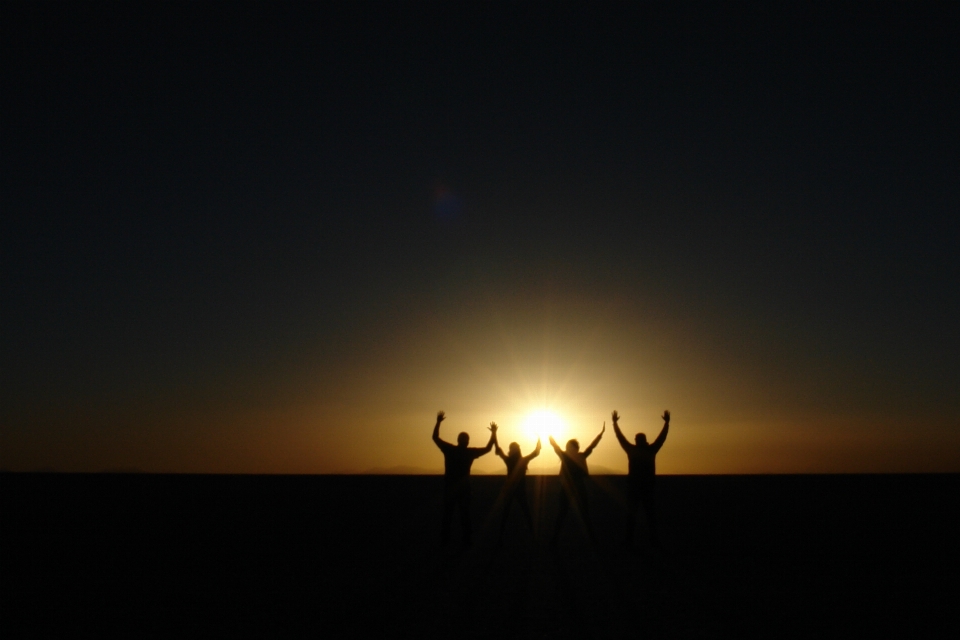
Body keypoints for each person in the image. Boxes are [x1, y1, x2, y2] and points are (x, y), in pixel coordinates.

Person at [432, 410, 497, 546]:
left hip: (450, 487)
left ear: (458, 440)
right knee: (464, 515)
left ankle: (445, 541)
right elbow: (488, 448)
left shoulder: (450, 450)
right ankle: (466, 541)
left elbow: (435, 438)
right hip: (464, 489)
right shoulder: (470, 452)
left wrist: (438, 422)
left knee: (448, 515)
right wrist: (493, 433)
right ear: (467, 441)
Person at [612, 409, 670, 547]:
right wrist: (667, 423)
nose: (636, 441)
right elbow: (661, 438)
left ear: (638, 440)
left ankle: (631, 541)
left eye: (637, 439)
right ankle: (651, 540)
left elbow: (620, 438)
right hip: (645, 487)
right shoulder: (650, 450)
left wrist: (615, 424)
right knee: (648, 515)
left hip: (636, 487)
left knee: (635, 515)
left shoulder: (634, 450)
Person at [549, 423, 604, 545]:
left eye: (570, 447)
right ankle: (591, 539)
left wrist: (600, 435)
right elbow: (555, 446)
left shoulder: (569, 456)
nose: (569, 449)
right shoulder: (576, 456)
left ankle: (554, 540)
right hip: (572, 487)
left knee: (569, 513)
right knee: (574, 513)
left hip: (572, 487)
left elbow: (591, 446)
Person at [493, 435, 541, 541]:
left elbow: (498, 450)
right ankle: (533, 534)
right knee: (525, 512)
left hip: (510, 490)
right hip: (519, 490)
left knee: (507, 513)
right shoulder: (522, 460)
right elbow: (536, 452)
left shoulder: (509, 460)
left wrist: (494, 434)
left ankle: (500, 535)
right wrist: (539, 442)